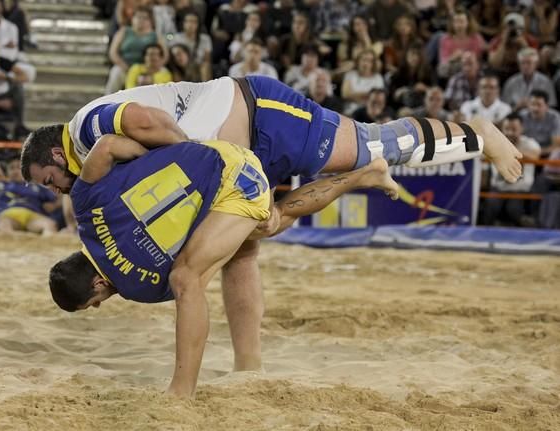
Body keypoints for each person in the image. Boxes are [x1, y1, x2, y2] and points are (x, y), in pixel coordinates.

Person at [20, 75, 524, 385]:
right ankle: (249, 370)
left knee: (373, 144)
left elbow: (148, 120)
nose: (57, 190)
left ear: (54, 155)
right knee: (247, 247)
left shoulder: (86, 129)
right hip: (232, 157)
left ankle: (480, 135)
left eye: (50, 180)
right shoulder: (92, 161)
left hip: (256, 114)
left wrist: (195, 159)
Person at [48, 136, 398, 397]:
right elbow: (108, 144)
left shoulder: (137, 287)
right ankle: (367, 174)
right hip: (217, 151)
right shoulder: (83, 204)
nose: (99, 306)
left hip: (237, 184)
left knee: (197, 269)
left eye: (92, 304)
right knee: (262, 226)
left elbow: (196, 280)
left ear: (95, 285)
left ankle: (182, 390)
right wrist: (164, 158)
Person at [481, 113, 541, 227]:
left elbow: (536, 155)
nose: (509, 133)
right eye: (506, 129)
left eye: (514, 129)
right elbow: (481, 155)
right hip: (498, 187)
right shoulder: (494, 143)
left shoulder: (530, 143)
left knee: (513, 208)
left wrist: (510, 152)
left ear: (522, 129)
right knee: (491, 205)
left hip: (520, 189)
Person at [0, 157, 58, 235]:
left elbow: (58, 198)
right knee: (3, 225)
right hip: (7, 215)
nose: (15, 171)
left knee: (49, 225)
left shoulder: (36, 186)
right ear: (7, 172)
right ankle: (27, 239)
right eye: (12, 168)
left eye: (19, 168)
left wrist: (54, 206)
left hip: (33, 215)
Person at [520, 89, 560, 156]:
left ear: (547, 106)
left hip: (547, 154)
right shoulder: (521, 115)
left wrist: (536, 152)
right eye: (532, 104)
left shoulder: (555, 117)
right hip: (525, 153)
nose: (535, 108)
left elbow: (556, 146)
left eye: (539, 105)